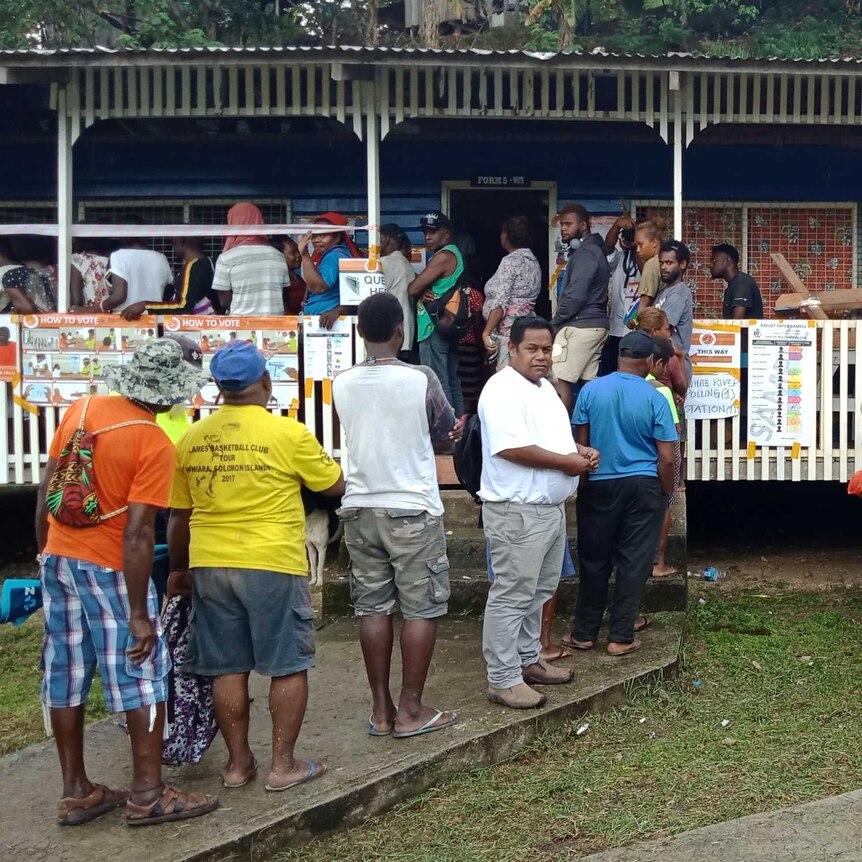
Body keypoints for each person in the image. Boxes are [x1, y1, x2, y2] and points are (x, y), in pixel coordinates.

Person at [34, 339, 218, 827]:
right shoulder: (151, 440)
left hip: (57, 558)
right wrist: (140, 615)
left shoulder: (82, 408)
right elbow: (138, 534)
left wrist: (44, 551)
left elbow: (49, 484)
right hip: (109, 568)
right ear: (169, 391)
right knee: (143, 674)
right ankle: (148, 793)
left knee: (66, 673)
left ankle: (76, 791)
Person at [169, 340, 343, 792]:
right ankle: (282, 765)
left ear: (219, 389)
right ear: (265, 383)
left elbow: (178, 516)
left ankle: (237, 764)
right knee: (286, 664)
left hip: (209, 564)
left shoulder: (192, 438)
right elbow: (333, 485)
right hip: (271, 563)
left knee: (227, 666)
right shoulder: (288, 434)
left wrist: (179, 570)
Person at [333, 292, 461, 737]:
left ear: (360, 332)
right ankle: (411, 711)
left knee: (373, 608)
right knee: (420, 609)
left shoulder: (341, 380)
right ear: (401, 330)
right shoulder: (421, 377)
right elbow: (445, 433)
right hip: (412, 508)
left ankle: (382, 711)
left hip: (359, 507)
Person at [479, 316, 596, 710]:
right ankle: (503, 678)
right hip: (517, 510)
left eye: (547, 349)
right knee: (512, 594)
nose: (541, 356)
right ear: (511, 348)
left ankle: (529, 660)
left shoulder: (544, 388)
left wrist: (577, 453)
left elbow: (548, 441)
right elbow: (510, 448)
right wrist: (565, 464)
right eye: (532, 348)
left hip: (547, 509)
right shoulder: (501, 389)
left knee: (539, 590)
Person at [567, 331, 677, 656]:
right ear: (647, 361)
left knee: (594, 559)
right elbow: (667, 458)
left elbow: (582, 444)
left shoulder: (590, 390)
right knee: (633, 562)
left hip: (599, 482)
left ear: (620, 356)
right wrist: (666, 492)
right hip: (643, 485)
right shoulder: (656, 397)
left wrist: (583, 487)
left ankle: (584, 633)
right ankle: (620, 637)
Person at [550, 204, 610, 413]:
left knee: (558, 378)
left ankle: (558, 438)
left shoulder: (586, 253)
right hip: (593, 326)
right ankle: (591, 437)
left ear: (583, 225)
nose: (563, 228)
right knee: (588, 385)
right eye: (561, 224)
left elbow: (576, 295)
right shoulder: (591, 251)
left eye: (568, 224)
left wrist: (554, 324)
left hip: (580, 326)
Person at [407, 211, 465, 417]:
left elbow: (412, 289)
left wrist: (419, 287)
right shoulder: (454, 253)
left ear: (447, 234)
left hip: (432, 326)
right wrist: (422, 287)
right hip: (445, 325)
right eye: (424, 232)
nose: (427, 236)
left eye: (433, 231)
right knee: (450, 379)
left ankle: (448, 433)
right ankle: (459, 431)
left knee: (437, 382)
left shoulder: (443, 256)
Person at [481, 215, 542, 371]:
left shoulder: (510, 261)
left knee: (508, 376)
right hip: (528, 327)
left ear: (507, 236)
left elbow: (500, 304)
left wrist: (486, 332)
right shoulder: (533, 261)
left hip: (510, 331)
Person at [647, 335, 683, 578]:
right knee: (664, 507)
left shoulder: (616, 384)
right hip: (659, 463)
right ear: (657, 362)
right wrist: (673, 482)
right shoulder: (661, 389)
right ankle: (658, 563)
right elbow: (673, 433)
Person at [212, 202, 288, 316]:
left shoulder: (226, 259)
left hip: (241, 326)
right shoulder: (279, 257)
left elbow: (224, 301)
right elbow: (283, 294)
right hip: (275, 326)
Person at [298, 212, 358, 329]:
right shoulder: (336, 254)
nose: (316, 240)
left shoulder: (333, 256)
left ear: (337, 237)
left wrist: (304, 255)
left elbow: (319, 287)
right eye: (314, 236)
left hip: (327, 322)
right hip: (325, 321)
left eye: (323, 235)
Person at [132, 237, 218, 318]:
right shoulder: (210, 263)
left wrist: (145, 305)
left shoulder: (193, 266)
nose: (173, 248)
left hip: (198, 326)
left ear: (182, 242)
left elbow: (182, 306)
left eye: (174, 243)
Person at [102, 220, 173, 316]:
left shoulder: (118, 256)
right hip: (155, 318)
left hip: (125, 319)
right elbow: (169, 292)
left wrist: (91, 309)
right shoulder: (161, 258)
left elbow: (118, 297)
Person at [599, 214, 641, 375]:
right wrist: (617, 225)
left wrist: (635, 247)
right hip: (616, 329)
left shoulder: (646, 260)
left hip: (636, 329)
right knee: (610, 371)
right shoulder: (618, 258)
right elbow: (608, 247)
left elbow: (644, 269)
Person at [655, 240, 694, 376]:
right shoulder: (665, 292)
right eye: (661, 263)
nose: (663, 267)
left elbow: (660, 330)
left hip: (673, 364)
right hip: (665, 363)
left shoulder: (678, 293)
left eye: (669, 263)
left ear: (682, 264)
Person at [379, 223, 417, 361]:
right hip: (405, 336)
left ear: (385, 239)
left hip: (389, 338)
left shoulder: (385, 262)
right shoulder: (405, 263)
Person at [711, 243, 764, 320]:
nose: (710, 265)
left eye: (714, 260)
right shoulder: (734, 284)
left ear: (727, 260)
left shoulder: (741, 282)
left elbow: (738, 321)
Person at [0, 238, 54, 313]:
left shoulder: (7, 274)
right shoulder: (42, 271)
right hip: (51, 318)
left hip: (23, 320)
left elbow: (27, 307)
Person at [634, 217, 668, 315]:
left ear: (654, 243)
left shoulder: (651, 264)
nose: (637, 250)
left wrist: (637, 322)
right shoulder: (665, 262)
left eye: (640, 245)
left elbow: (645, 300)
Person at [70, 237, 111, 311]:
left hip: (90, 317)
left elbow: (76, 300)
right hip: (114, 315)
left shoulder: (79, 260)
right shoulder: (114, 259)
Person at [273, 236, 306, 314]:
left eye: (298, 251)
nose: (298, 255)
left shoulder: (299, 277)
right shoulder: (279, 279)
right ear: (280, 255)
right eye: (293, 253)